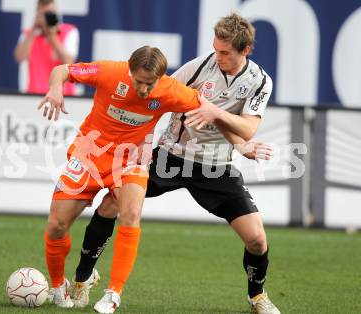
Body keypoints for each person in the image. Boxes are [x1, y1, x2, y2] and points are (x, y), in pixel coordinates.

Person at [70, 13, 280, 314]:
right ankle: (83, 277)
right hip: (170, 155)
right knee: (111, 203)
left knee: (257, 240)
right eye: (215, 48)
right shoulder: (199, 67)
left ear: (245, 51)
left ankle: (257, 295)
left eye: (225, 52)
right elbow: (155, 94)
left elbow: (248, 128)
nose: (217, 56)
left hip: (215, 167)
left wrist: (225, 126)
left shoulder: (259, 81)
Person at [37, 46, 220, 313]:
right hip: (90, 153)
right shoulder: (109, 72)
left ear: (162, 77)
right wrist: (55, 89)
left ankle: (113, 294)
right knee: (57, 224)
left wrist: (242, 141)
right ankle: (57, 285)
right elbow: (62, 70)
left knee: (132, 212)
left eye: (151, 83)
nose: (144, 89)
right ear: (129, 71)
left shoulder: (170, 90)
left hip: (131, 159)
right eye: (139, 81)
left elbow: (210, 109)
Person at [14, 0, 79, 95]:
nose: (47, 18)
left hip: (63, 95)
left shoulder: (69, 32)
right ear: (37, 14)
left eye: (50, 14)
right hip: (35, 94)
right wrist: (33, 30)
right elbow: (19, 57)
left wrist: (52, 36)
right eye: (44, 14)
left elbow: (69, 62)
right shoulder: (29, 35)